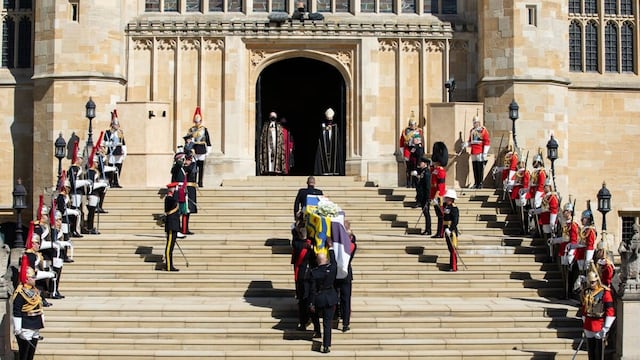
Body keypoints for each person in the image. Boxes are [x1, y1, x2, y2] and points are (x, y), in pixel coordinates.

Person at [12, 265, 45, 360]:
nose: (35, 279)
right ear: (26, 279)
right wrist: (18, 328)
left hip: (35, 324)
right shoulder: (20, 293)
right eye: (32, 277)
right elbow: (17, 311)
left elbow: (39, 306)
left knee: (31, 354)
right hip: (26, 325)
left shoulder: (34, 290)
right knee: (24, 354)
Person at [580, 271, 615, 360]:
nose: (591, 284)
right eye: (589, 282)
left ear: (597, 281)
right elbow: (584, 308)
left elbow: (609, 309)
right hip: (588, 323)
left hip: (599, 324)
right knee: (591, 352)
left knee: (599, 353)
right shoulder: (586, 291)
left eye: (593, 282)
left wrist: (606, 327)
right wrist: (584, 322)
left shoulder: (605, 292)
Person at [309, 251, 338, 354]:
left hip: (319, 299)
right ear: (325, 260)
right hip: (330, 298)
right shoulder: (332, 268)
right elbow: (334, 262)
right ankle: (326, 346)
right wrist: (331, 249)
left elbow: (312, 290)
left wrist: (311, 303)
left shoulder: (314, 272)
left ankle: (317, 331)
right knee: (327, 323)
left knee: (314, 315)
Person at [334, 220, 357, 332]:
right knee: (344, 298)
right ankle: (343, 320)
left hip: (342, 273)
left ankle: (344, 321)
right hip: (341, 273)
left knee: (344, 298)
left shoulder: (348, 244)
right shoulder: (347, 242)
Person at [185, 106, 211, 187]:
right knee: (194, 166)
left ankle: (200, 182)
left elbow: (208, 140)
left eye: (198, 122)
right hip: (194, 148)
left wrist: (208, 150)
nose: (197, 123)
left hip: (202, 148)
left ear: (201, 121)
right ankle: (193, 181)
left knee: (201, 166)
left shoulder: (204, 129)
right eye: (195, 122)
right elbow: (187, 139)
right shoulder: (191, 129)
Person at [462, 116, 490, 189]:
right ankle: (476, 183)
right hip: (473, 151)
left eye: (476, 122)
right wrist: (466, 144)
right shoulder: (472, 131)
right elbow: (471, 141)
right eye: (474, 122)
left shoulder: (483, 130)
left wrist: (485, 152)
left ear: (479, 122)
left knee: (480, 168)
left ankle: (480, 183)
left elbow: (487, 141)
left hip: (480, 151)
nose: (475, 124)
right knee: (475, 167)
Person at [314, 108, 344, 176]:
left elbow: (336, 136)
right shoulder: (322, 125)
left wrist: (331, 128)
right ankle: (324, 170)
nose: (329, 121)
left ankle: (334, 170)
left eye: (331, 119)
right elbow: (320, 134)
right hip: (324, 144)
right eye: (328, 119)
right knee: (323, 155)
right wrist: (325, 129)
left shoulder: (335, 126)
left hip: (332, 144)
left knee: (334, 154)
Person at [399, 115, 424, 188]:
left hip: (417, 150)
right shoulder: (405, 131)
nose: (413, 126)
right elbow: (402, 143)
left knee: (417, 167)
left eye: (414, 125)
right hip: (408, 151)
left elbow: (421, 141)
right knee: (409, 168)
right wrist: (403, 153)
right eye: (412, 125)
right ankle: (409, 183)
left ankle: (416, 183)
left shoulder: (419, 131)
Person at [103, 109, 126, 188]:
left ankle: (116, 182)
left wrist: (124, 153)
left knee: (118, 168)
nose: (116, 126)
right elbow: (104, 143)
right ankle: (111, 182)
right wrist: (112, 144)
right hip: (111, 153)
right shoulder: (108, 133)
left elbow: (123, 143)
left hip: (119, 153)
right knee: (111, 168)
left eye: (117, 124)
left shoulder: (120, 133)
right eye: (115, 124)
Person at [430, 141, 448, 238]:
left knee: (441, 216)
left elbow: (440, 187)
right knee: (438, 215)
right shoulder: (435, 170)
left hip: (439, 197)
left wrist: (435, 198)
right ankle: (438, 232)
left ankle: (440, 233)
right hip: (434, 195)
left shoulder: (441, 171)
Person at [163, 182, 182, 272]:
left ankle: (170, 265)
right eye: (174, 188)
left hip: (174, 225)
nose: (175, 190)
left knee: (171, 247)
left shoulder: (172, 198)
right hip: (171, 225)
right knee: (169, 247)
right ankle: (168, 266)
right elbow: (175, 200)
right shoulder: (168, 198)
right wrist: (177, 192)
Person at [441, 189, 460, 272]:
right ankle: (451, 265)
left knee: (453, 249)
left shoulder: (454, 208)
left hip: (451, 231)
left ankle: (454, 266)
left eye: (448, 198)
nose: (446, 199)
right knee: (450, 248)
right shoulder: (446, 207)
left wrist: (450, 229)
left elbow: (455, 221)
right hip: (446, 229)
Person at [414, 156, 432, 235]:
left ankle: (428, 229)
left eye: (421, 163)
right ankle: (427, 229)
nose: (419, 164)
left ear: (424, 164)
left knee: (426, 213)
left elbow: (427, 186)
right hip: (422, 196)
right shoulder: (422, 172)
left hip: (425, 196)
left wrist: (428, 197)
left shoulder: (427, 172)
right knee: (425, 213)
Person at [182, 152, 198, 235]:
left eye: (189, 159)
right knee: (186, 210)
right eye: (188, 159)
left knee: (189, 210)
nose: (188, 161)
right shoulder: (183, 167)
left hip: (191, 189)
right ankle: (184, 229)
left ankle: (185, 228)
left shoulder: (192, 165)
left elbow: (192, 168)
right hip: (186, 189)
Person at [578, 205, 597, 272]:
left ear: (588, 219)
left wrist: (588, 253)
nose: (582, 220)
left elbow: (590, 243)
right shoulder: (584, 229)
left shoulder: (590, 230)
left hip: (588, 250)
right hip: (581, 250)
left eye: (584, 218)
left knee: (587, 266)